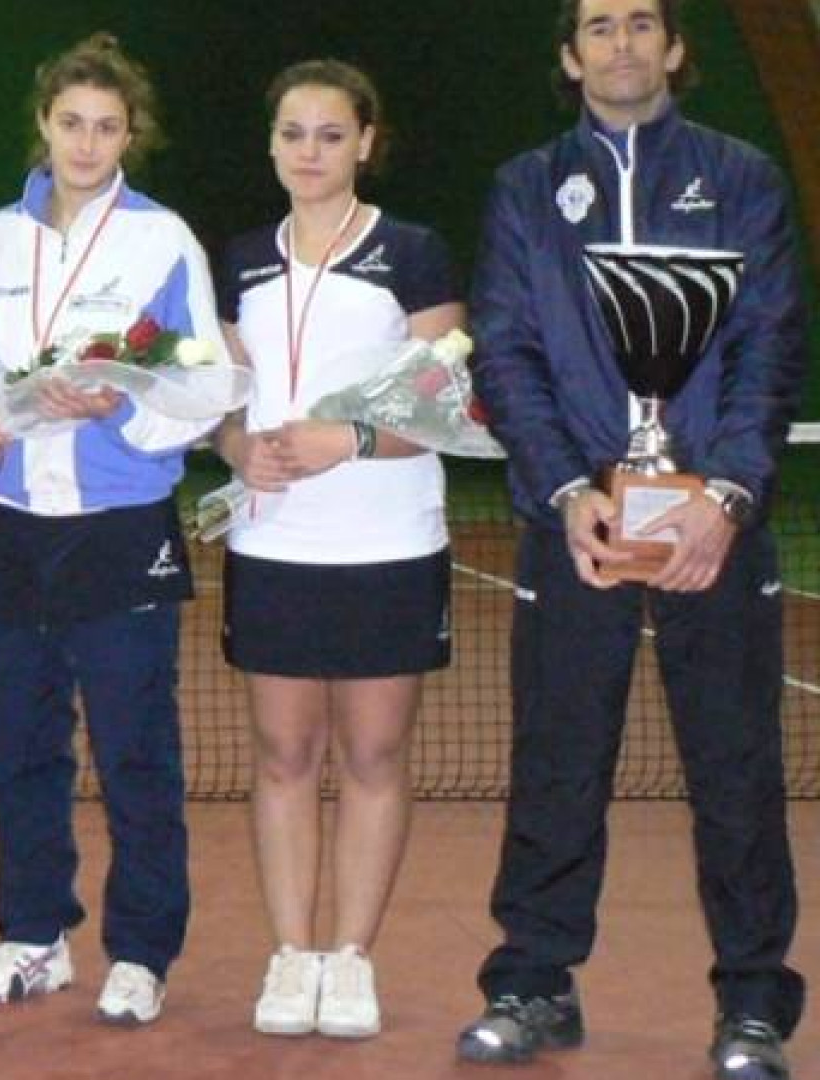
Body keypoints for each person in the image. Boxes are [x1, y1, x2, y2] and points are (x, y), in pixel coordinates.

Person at [460, 2, 806, 1076]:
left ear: (674, 48)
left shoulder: (743, 178)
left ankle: (753, 1004)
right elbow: (506, 350)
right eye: (600, 26)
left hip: (712, 528)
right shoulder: (526, 188)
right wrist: (570, 491)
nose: (622, 43)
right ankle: (532, 983)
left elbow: (769, 344)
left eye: (641, 22)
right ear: (571, 57)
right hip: (576, 524)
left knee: (736, 768)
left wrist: (726, 498)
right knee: (556, 761)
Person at [0, 33, 222, 1028]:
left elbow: (204, 386)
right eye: (71, 124)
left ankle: (141, 951)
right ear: (44, 126)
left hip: (120, 523)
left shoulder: (163, 241)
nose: (86, 144)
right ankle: (32, 935)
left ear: (130, 135)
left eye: (106, 127)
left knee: (136, 751)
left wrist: (122, 411)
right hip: (9, 524)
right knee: (20, 744)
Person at [212, 60, 464, 1039]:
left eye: (329, 134)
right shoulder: (239, 260)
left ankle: (350, 958)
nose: (308, 152)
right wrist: (238, 447)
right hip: (274, 542)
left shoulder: (415, 253)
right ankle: (291, 956)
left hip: (388, 542)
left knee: (373, 753)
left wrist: (347, 441)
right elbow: (225, 398)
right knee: (282, 754)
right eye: (292, 134)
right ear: (271, 144)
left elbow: (445, 406)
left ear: (365, 142)